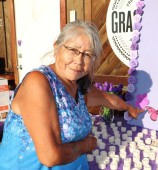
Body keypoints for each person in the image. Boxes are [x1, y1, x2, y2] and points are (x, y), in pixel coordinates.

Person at [0, 20, 144, 170]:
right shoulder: (38, 83)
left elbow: (108, 99)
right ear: (56, 47)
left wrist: (129, 108)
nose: (79, 61)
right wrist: (85, 145)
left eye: (87, 55)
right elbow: (50, 156)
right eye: (73, 50)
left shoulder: (78, 86)